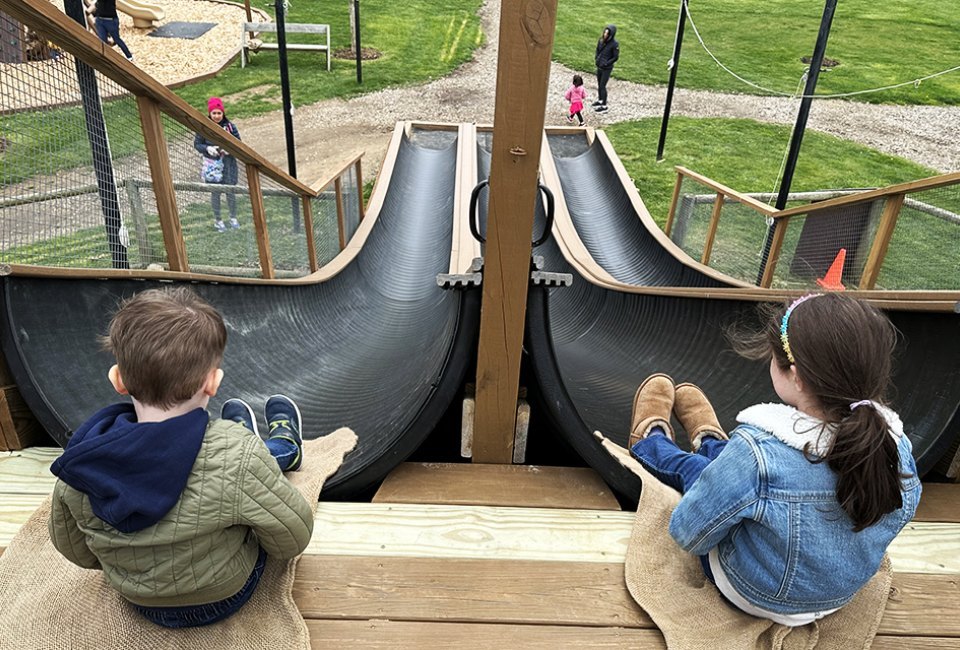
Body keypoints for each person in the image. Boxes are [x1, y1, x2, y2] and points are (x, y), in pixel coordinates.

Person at [627, 293, 921, 627]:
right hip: (835, 597)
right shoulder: (896, 448)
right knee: (739, 473)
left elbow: (689, 533)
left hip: (753, 591)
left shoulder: (759, 451)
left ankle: (651, 446)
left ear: (795, 376)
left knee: (697, 471)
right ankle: (710, 440)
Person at [48, 287, 313, 628]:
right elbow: (292, 538)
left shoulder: (81, 461)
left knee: (238, 463)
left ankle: (255, 443)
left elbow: (74, 549)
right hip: (222, 595)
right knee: (244, 463)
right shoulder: (235, 452)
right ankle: (284, 446)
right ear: (213, 383)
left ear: (118, 380)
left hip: (138, 600)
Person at [194, 97, 242, 233]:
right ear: (210, 113)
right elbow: (197, 144)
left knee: (230, 192)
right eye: (214, 113)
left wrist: (230, 149)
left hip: (228, 164)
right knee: (215, 193)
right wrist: (207, 149)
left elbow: (239, 142)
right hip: (212, 166)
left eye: (219, 113)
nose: (216, 116)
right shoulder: (203, 127)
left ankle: (233, 217)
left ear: (223, 113)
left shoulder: (230, 127)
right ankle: (218, 220)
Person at [593, 24, 619, 113]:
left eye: (607, 33)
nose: (605, 34)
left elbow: (615, 57)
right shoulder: (601, 41)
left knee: (602, 85)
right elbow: (597, 50)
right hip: (599, 66)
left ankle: (604, 105)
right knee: (599, 84)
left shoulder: (614, 44)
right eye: (605, 32)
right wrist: (597, 58)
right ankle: (600, 100)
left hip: (606, 68)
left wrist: (607, 63)